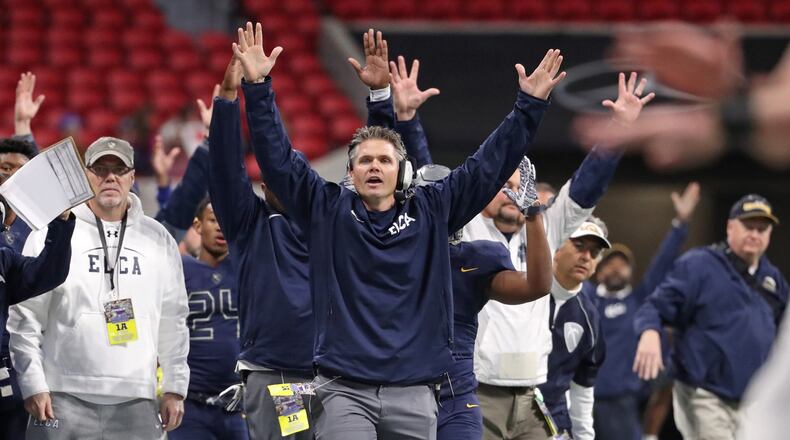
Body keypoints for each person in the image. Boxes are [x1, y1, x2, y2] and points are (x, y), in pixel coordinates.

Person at [230, 21, 561, 439]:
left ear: (402, 172)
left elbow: (488, 165)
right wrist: (258, 89)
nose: (374, 166)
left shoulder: (434, 209)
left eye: (384, 160)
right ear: (350, 173)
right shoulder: (328, 210)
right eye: (364, 161)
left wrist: (528, 106)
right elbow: (278, 162)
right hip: (344, 390)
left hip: (415, 391)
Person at [8, 137, 190, 439]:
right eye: (100, 169)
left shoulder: (158, 239)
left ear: (132, 177)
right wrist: (33, 383)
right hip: (61, 395)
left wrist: (174, 387)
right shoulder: (52, 232)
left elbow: (174, 319)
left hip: (137, 396)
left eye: (119, 170)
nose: (110, 177)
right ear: (85, 175)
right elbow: (25, 317)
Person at [208, 56, 314, 440]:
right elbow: (225, 170)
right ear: (263, 187)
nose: (284, 184)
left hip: (337, 375)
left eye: (292, 177)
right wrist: (227, 100)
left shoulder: (328, 220)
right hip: (277, 374)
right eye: (275, 179)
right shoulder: (249, 223)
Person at [633, 194, 788, 440]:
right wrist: (650, 332)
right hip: (704, 394)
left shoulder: (773, 279)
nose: (755, 234)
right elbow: (654, 305)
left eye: (762, 229)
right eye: (748, 226)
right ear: (730, 227)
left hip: (752, 399)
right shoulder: (699, 265)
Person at [586, 182, 700, 440]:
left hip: (622, 402)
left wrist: (681, 223)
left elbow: (663, 262)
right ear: (598, 270)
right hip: (580, 398)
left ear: (631, 272)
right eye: (610, 263)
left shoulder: (640, 301)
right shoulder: (586, 300)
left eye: (622, 264)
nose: (616, 268)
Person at [168, 199, 247, 440]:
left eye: (225, 220)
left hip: (239, 406)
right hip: (191, 405)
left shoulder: (248, 270)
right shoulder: (179, 269)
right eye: (213, 220)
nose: (220, 227)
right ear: (198, 225)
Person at [0, 71, 48, 440]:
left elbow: (37, 179)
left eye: (20, 172)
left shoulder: (41, 223)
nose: (12, 177)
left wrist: (23, 128)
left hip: (31, 355)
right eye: (4, 170)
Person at [538, 219, 610, 440]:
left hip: (552, 420)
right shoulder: (522, 291)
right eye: (579, 246)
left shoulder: (589, 318)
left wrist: (584, 437)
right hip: (501, 406)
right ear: (556, 246)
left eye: (594, 253)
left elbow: (582, 391)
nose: (586, 257)